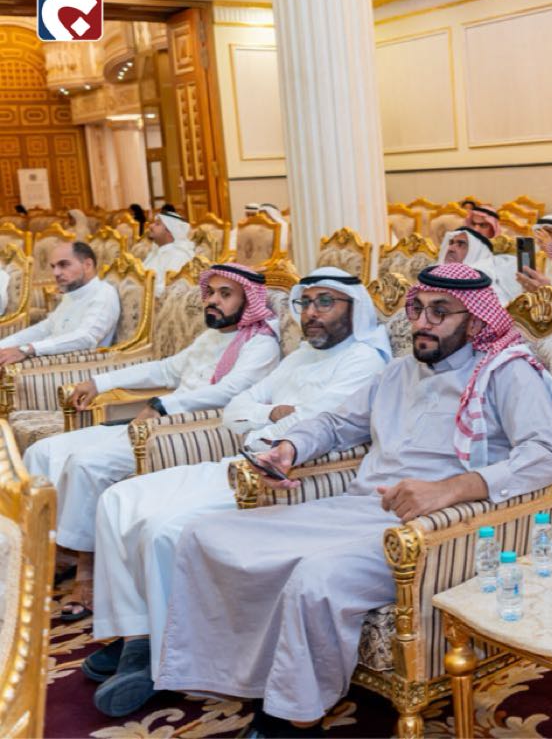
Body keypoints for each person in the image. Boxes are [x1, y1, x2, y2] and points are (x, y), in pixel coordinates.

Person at [154, 263, 552, 734]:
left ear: (475, 322)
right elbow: (336, 423)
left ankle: (294, 717)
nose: (422, 322)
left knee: (317, 577)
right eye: (417, 309)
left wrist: (450, 488)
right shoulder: (399, 372)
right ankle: (230, 676)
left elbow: (547, 458)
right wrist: (290, 448)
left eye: (439, 312)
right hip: (358, 509)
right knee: (205, 534)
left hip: (438, 527)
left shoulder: (506, 372)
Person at [85, 267, 391, 717]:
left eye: (326, 302)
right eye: (306, 302)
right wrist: (275, 412)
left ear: (354, 308)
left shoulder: (364, 360)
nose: (312, 313)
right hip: (237, 458)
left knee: (165, 529)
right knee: (118, 499)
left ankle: (166, 654)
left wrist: (268, 415)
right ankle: (139, 633)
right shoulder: (300, 355)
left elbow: (315, 423)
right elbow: (234, 410)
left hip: (286, 475)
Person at [25, 262, 280, 622]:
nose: (213, 301)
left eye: (226, 294)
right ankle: (53, 551)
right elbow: (164, 369)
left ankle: (87, 573)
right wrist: (100, 382)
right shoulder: (211, 336)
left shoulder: (260, 343)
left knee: (86, 464)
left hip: (188, 431)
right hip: (158, 420)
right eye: (210, 292)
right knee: (43, 451)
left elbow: (229, 392)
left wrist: (163, 406)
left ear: (249, 300)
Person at [0, 242, 119, 365]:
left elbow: (86, 338)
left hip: (72, 367)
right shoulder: (73, 293)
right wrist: (2, 346)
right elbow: (44, 329)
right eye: (53, 266)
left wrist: (26, 349)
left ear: (87, 265)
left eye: (64, 265)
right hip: (47, 360)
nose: (56, 273)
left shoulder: (103, 294)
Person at [438, 226, 517, 304]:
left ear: (476, 251)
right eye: (451, 243)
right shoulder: (435, 272)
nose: (450, 249)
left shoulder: (488, 287)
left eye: (461, 244)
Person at [142, 210, 196, 294]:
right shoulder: (156, 252)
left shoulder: (179, 256)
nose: (151, 226)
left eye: (157, 224)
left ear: (171, 231)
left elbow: (170, 290)